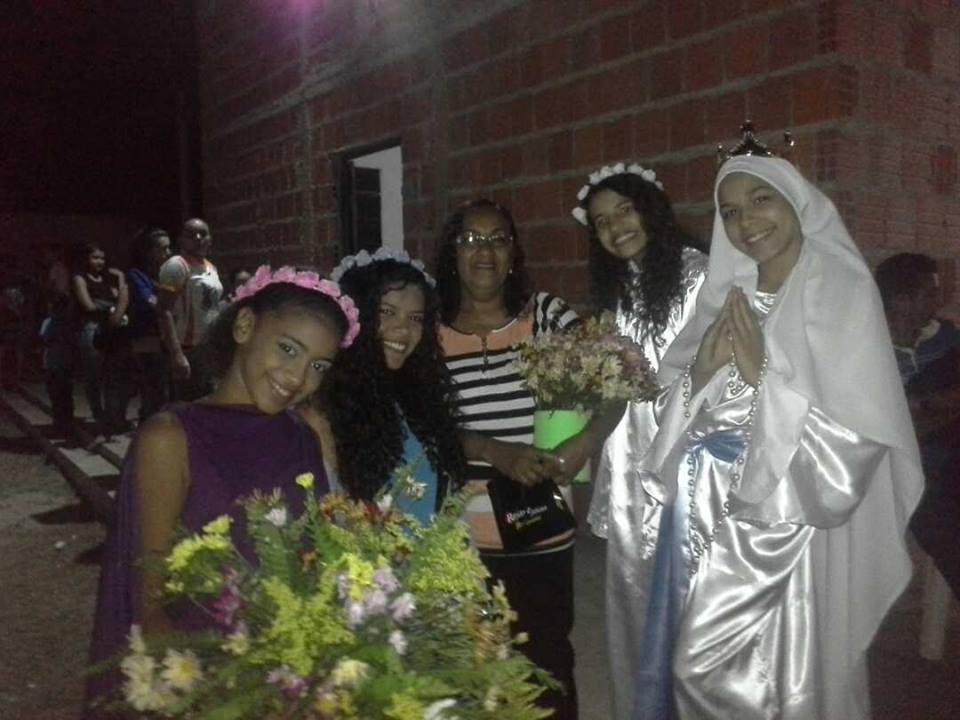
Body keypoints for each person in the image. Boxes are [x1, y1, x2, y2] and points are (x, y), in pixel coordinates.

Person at [635, 147, 923, 719]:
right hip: (700, 499)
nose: (746, 221)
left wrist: (760, 373)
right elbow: (676, 405)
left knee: (711, 663)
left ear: (797, 202)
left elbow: (858, 434)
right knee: (724, 658)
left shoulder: (839, 292)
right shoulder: (728, 293)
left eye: (760, 199)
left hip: (781, 508)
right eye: (729, 211)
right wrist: (700, 375)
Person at [85, 265, 360, 717]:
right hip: (209, 682)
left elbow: (323, 559)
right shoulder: (170, 437)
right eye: (288, 348)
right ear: (245, 326)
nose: (298, 377)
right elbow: (148, 602)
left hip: (294, 679)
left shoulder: (304, 435)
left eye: (318, 366)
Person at [436, 199, 616, 720]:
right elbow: (427, 427)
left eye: (498, 239)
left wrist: (585, 441)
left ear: (514, 252)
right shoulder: (431, 333)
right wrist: (493, 451)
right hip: (461, 536)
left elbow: (617, 384)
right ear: (452, 254)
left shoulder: (546, 316)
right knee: (472, 667)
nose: (485, 251)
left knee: (546, 661)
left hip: (539, 524)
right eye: (471, 240)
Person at [570, 161, 707, 720]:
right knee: (631, 589)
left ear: (650, 209)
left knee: (692, 596)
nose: (616, 227)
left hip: (688, 454)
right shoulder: (617, 289)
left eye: (624, 210)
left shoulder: (698, 274)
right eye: (602, 222)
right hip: (631, 456)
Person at [319, 248, 464, 523]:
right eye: (387, 312)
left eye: (415, 318)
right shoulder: (329, 406)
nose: (403, 329)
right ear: (358, 314)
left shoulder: (417, 399)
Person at [876, 252, 960, 599]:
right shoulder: (868, 350)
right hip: (905, 468)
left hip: (949, 452)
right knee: (933, 510)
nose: (939, 301)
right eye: (930, 294)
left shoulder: (947, 339)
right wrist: (934, 405)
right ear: (901, 300)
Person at [72, 242, 131, 445]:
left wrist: (120, 278)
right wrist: (112, 307)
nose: (99, 262)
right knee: (93, 379)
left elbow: (121, 296)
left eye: (102, 258)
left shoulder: (107, 279)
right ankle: (100, 420)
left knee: (112, 378)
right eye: (95, 257)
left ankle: (110, 422)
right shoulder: (80, 278)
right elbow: (88, 305)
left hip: (111, 331)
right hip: (91, 329)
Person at [158, 218, 223, 401]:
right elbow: (163, 309)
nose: (198, 238)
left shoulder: (211, 267)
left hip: (206, 349)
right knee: (185, 406)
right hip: (186, 349)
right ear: (181, 240)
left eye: (203, 234)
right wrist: (177, 354)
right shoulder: (177, 266)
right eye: (191, 235)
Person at [126, 227, 172, 424]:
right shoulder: (136, 275)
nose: (168, 253)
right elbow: (150, 301)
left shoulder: (167, 274)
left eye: (169, 248)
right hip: (145, 336)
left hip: (166, 334)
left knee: (163, 383)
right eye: (162, 248)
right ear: (148, 251)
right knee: (152, 382)